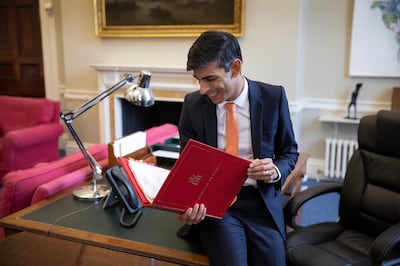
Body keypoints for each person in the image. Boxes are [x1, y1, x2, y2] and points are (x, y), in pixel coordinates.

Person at [177, 30, 299, 266]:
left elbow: (289, 152)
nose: (203, 89)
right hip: (217, 204)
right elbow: (187, 165)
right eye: (198, 79)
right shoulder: (193, 105)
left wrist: (275, 170)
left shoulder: (274, 97)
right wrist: (187, 203)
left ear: (235, 67)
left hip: (261, 201)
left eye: (210, 79)